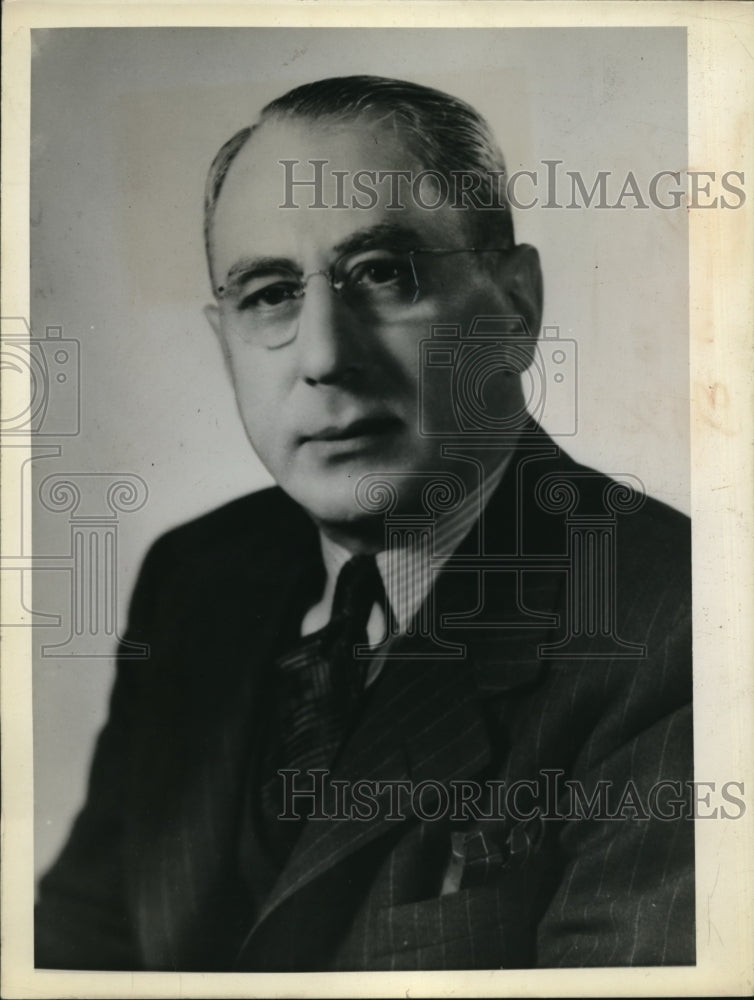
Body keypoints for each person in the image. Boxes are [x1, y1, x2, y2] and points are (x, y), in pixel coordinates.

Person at [35, 75, 694, 972]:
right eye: (268, 293)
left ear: (516, 306)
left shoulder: (680, 625)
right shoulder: (197, 578)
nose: (325, 355)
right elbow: (73, 950)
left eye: (383, 275)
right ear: (223, 338)